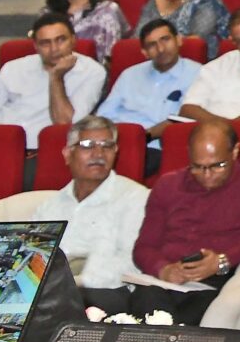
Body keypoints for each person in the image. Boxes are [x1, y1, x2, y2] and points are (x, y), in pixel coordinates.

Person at [129, 119, 240, 322]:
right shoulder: (168, 184)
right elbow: (143, 248)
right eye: (197, 167)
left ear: (235, 151)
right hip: (166, 280)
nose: (207, 175)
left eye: (217, 166)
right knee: (145, 303)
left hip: (215, 279)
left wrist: (223, 260)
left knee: (191, 317)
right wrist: (162, 269)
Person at [28, 117, 152, 311]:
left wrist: (77, 282)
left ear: (115, 151)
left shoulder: (135, 198)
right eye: (87, 145)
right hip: (52, 294)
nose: (99, 154)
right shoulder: (50, 206)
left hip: (106, 293)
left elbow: (133, 262)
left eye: (107, 146)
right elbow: (32, 256)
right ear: (67, 154)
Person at [0, 13, 105, 147]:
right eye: (45, 43)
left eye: (61, 40)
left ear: (73, 40)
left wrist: (56, 77)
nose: (54, 49)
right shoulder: (13, 68)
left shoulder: (92, 72)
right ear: (35, 46)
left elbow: (64, 124)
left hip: (41, 148)